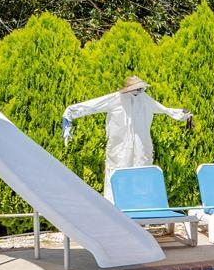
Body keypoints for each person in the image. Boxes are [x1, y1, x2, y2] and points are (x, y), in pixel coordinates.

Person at [61, 76, 194, 190]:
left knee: (140, 177)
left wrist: (183, 115)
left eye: (141, 89)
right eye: (137, 89)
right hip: (119, 148)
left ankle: (139, 211)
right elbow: (92, 106)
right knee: (117, 176)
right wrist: (70, 114)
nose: (139, 91)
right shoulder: (115, 99)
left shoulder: (145, 99)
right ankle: (113, 211)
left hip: (141, 148)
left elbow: (165, 110)